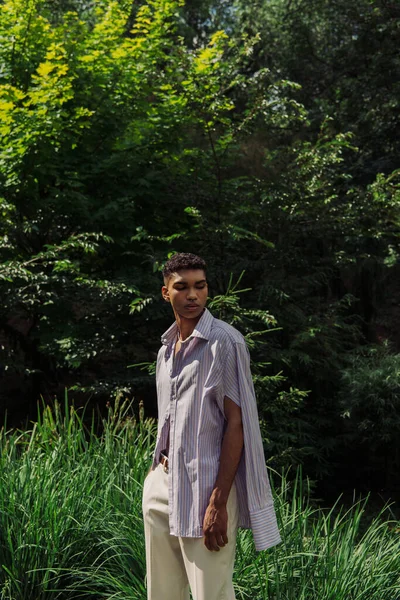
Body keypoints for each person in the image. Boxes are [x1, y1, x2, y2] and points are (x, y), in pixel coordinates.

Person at [142, 253, 281, 600]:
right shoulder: (165, 351)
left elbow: (238, 425)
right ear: (165, 292)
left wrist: (218, 502)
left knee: (211, 594)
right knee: (160, 593)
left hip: (206, 490)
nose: (192, 295)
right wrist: (153, 475)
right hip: (161, 485)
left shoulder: (225, 343)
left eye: (200, 286)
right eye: (182, 287)